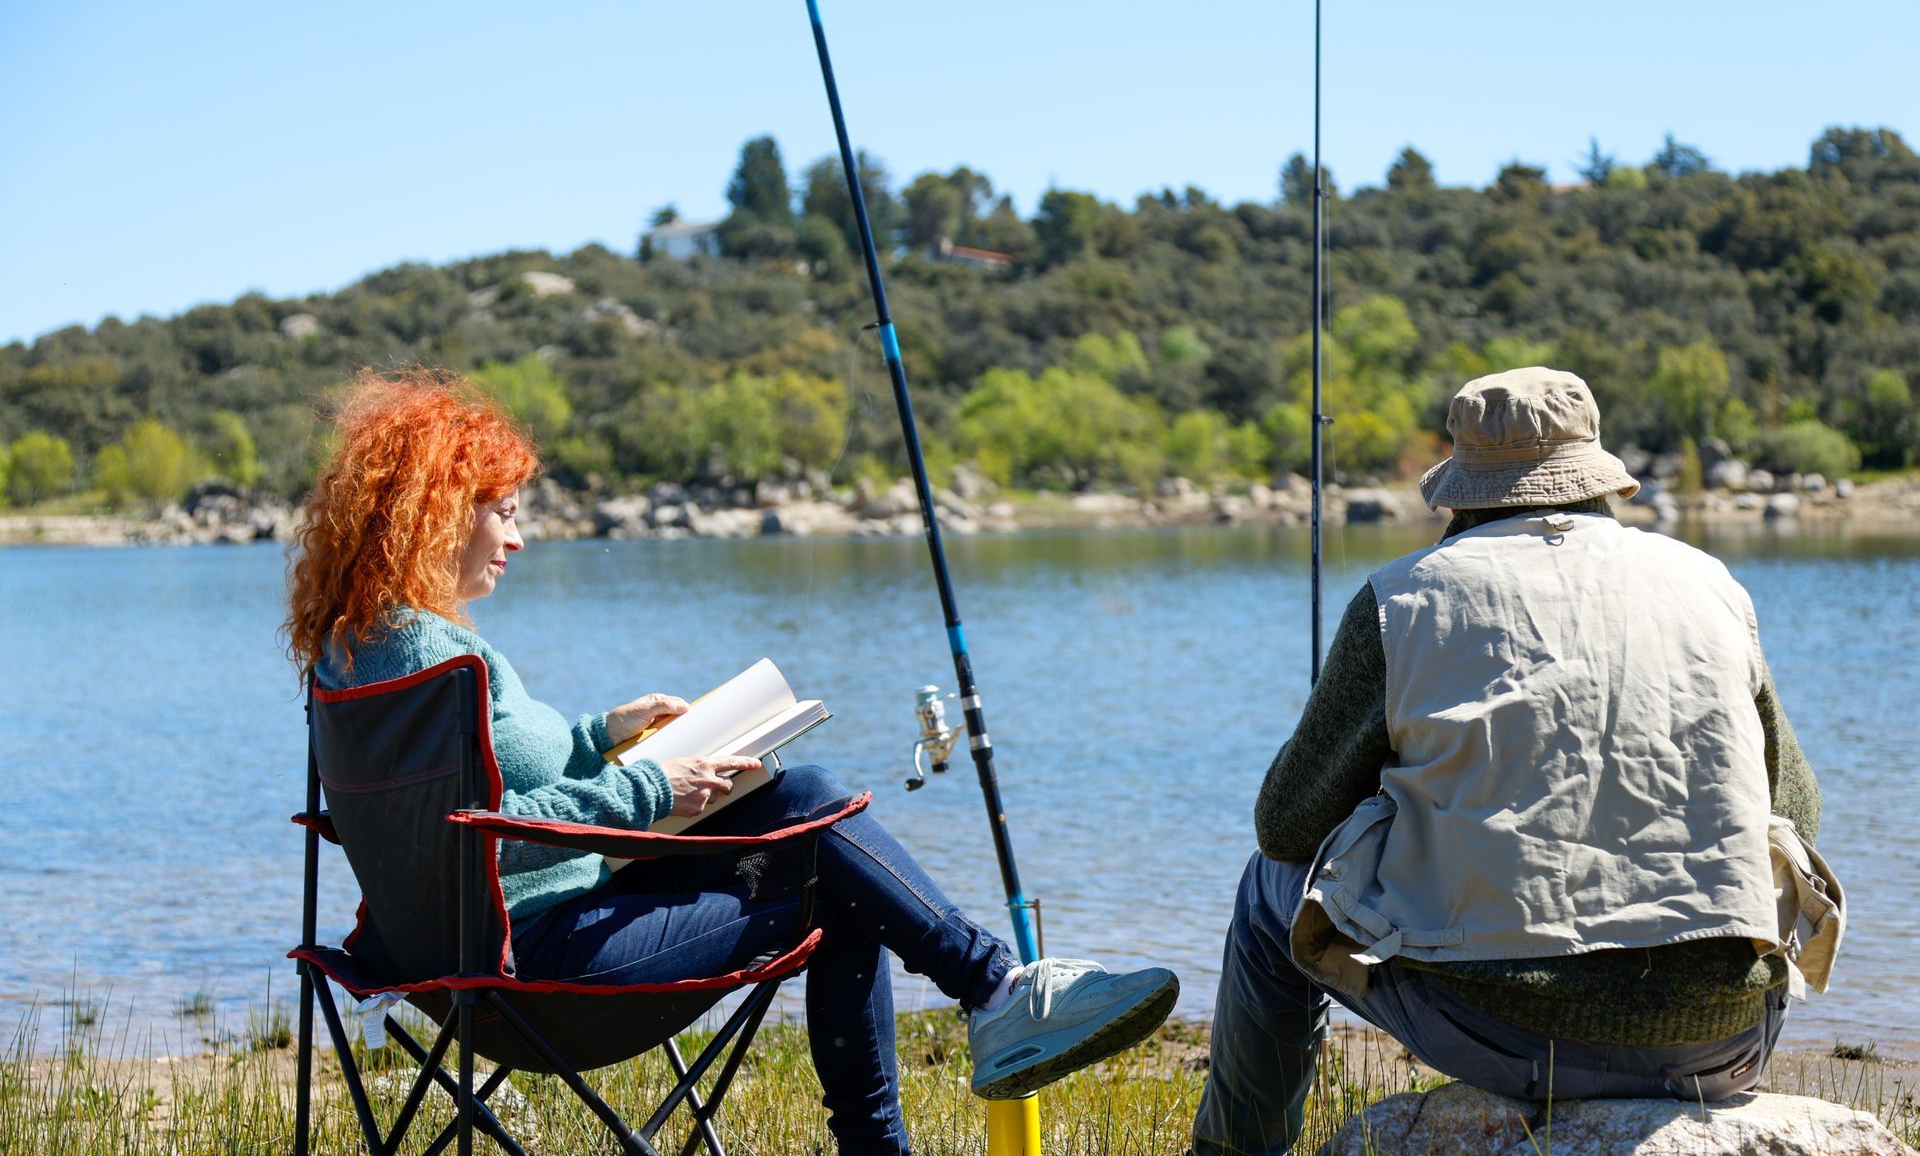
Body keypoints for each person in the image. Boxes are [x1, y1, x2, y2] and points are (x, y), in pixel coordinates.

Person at [284, 368, 1179, 1155]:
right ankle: (989, 1003)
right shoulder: (447, 658)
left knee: (809, 797)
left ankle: (993, 993)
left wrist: (604, 732)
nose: (516, 540)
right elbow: (478, 836)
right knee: (833, 864)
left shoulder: (355, 654)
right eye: (504, 514)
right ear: (436, 508)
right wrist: (652, 784)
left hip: (446, 960)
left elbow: (475, 792)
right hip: (545, 974)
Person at [1191, 367, 1844, 1156]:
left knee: (1269, 892)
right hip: (1724, 1039)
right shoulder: (1711, 585)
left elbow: (1285, 825)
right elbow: (1798, 810)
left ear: (1462, 490)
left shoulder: (1403, 598)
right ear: (1598, 478)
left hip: (1505, 1033)